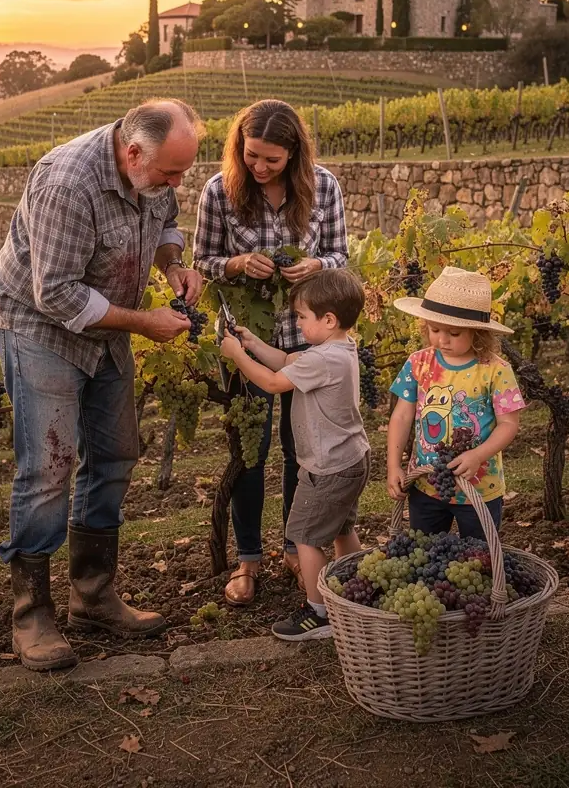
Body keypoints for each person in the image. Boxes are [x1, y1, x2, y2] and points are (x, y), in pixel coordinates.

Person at [0, 99, 204, 671]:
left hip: (105, 325)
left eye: (182, 172)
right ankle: (31, 613)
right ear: (132, 154)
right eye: (170, 173)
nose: (177, 184)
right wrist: (143, 322)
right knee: (49, 467)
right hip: (39, 327)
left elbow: (166, 222)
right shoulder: (68, 184)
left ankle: (92, 594)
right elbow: (55, 293)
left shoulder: (156, 170)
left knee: (115, 454)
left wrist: (173, 265)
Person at [193, 99, 348, 606]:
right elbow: (202, 261)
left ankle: (294, 547)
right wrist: (237, 265)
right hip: (247, 339)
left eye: (271, 159)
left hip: (309, 339)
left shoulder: (324, 187)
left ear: (294, 154)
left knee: (303, 450)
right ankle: (248, 559)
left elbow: (340, 255)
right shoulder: (218, 191)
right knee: (250, 452)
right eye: (251, 155)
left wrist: (316, 266)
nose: (259, 166)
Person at [219, 268, 370, 640]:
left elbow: (273, 382)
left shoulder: (322, 360)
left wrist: (237, 355)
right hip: (352, 459)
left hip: (327, 467)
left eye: (302, 317)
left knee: (304, 535)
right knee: (342, 528)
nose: (298, 324)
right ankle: (359, 587)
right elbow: (288, 362)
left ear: (328, 320)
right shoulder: (339, 349)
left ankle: (319, 613)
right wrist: (252, 343)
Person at [385, 266, 526, 536]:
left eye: (454, 333)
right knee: (426, 553)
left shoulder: (496, 370)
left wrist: (478, 455)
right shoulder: (418, 363)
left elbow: (509, 424)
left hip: (479, 488)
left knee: (478, 554)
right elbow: (401, 416)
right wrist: (393, 465)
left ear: (477, 332)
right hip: (426, 484)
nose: (442, 339)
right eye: (434, 329)